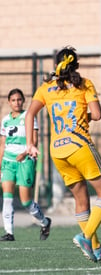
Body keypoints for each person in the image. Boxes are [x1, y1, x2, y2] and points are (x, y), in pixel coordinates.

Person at [25, 46, 101, 262]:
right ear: (76, 64)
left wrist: (30, 143)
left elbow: (29, 114)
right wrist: (80, 115)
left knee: (81, 199)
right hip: (79, 145)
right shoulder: (83, 84)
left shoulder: (46, 87)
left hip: (58, 151)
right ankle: (86, 237)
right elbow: (97, 114)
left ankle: (95, 247)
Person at [0, 88, 51, 241]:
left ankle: (45, 222)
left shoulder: (29, 117)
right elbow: (2, 144)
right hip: (8, 162)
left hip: (25, 161)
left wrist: (24, 153)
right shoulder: (5, 120)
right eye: (13, 100)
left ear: (23, 101)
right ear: (9, 102)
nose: (17, 102)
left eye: (19, 99)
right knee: (7, 198)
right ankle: (9, 233)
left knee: (26, 201)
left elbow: (34, 141)